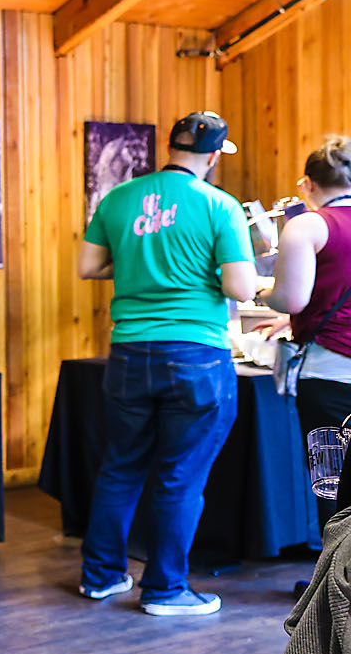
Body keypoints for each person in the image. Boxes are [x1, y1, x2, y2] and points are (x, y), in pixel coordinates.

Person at [76, 110, 257, 616]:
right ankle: (165, 589)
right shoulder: (220, 205)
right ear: (215, 157)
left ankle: (102, 577)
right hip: (197, 355)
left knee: (119, 469)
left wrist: (137, 264)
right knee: (181, 477)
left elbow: (89, 266)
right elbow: (239, 287)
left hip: (130, 351)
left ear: (171, 147)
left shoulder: (120, 197)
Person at [258, 136, 351, 512]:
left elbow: (291, 298)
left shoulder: (308, 226)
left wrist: (262, 292)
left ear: (308, 184)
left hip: (329, 376)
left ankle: (334, 572)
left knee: (332, 487)